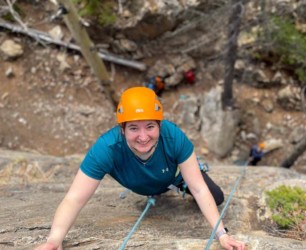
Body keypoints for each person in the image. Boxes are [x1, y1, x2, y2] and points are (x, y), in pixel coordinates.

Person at [35, 87, 246, 250]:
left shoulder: (173, 137)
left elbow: (199, 189)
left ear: (160, 125)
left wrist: (222, 234)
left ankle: (178, 176)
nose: (143, 137)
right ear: (122, 128)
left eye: (150, 126)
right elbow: (75, 198)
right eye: (134, 128)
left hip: (173, 177)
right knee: (149, 188)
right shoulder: (106, 149)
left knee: (215, 196)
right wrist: (54, 240)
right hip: (142, 185)